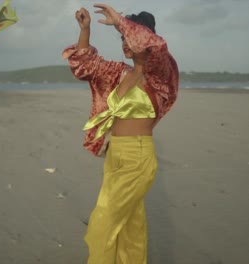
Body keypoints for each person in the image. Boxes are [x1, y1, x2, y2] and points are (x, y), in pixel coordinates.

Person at [62, 3, 179, 264]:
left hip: (138, 157)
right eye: (122, 39)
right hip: (115, 154)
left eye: (129, 37)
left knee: (102, 222)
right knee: (130, 227)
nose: (125, 43)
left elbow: (155, 46)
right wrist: (85, 30)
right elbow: (86, 65)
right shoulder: (119, 73)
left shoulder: (160, 77)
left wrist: (119, 23)